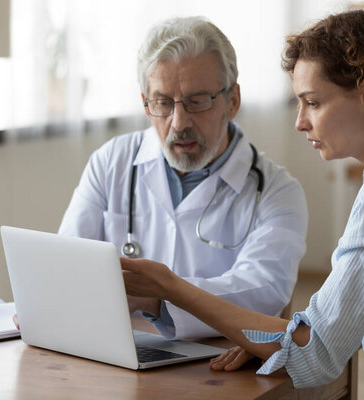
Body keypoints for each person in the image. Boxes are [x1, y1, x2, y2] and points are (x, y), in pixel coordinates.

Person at [119, 8, 364, 399]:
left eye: (312, 102)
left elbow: (315, 351)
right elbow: (329, 318)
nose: (300, 121)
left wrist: (169, 287)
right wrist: (279, 337)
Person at [55, 16, 308, 340]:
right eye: (163, 103)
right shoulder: (111, 163)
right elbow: (67, 263)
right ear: (145, 105)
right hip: (114, 354)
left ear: (232, 101)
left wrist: (158, 298)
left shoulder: (277, 192)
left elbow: (263, 294)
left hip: (220, 364)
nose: (179, 122)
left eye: (197, 101)